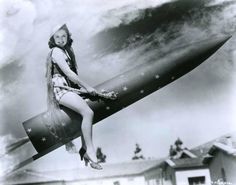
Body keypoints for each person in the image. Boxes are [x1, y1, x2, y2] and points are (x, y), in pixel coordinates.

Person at [45, 24, 102, 170]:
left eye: (64, 36)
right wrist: (87, 87)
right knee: (88, 112)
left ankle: (84, 148)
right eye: (57, 37)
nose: (60, 39)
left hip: (65, 87)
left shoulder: (66, 51)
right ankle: (89, 150)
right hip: (60, 88)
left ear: (68, 37)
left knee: (83, 115)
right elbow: (69, 74)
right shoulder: (56, 51)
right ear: (52, 38)